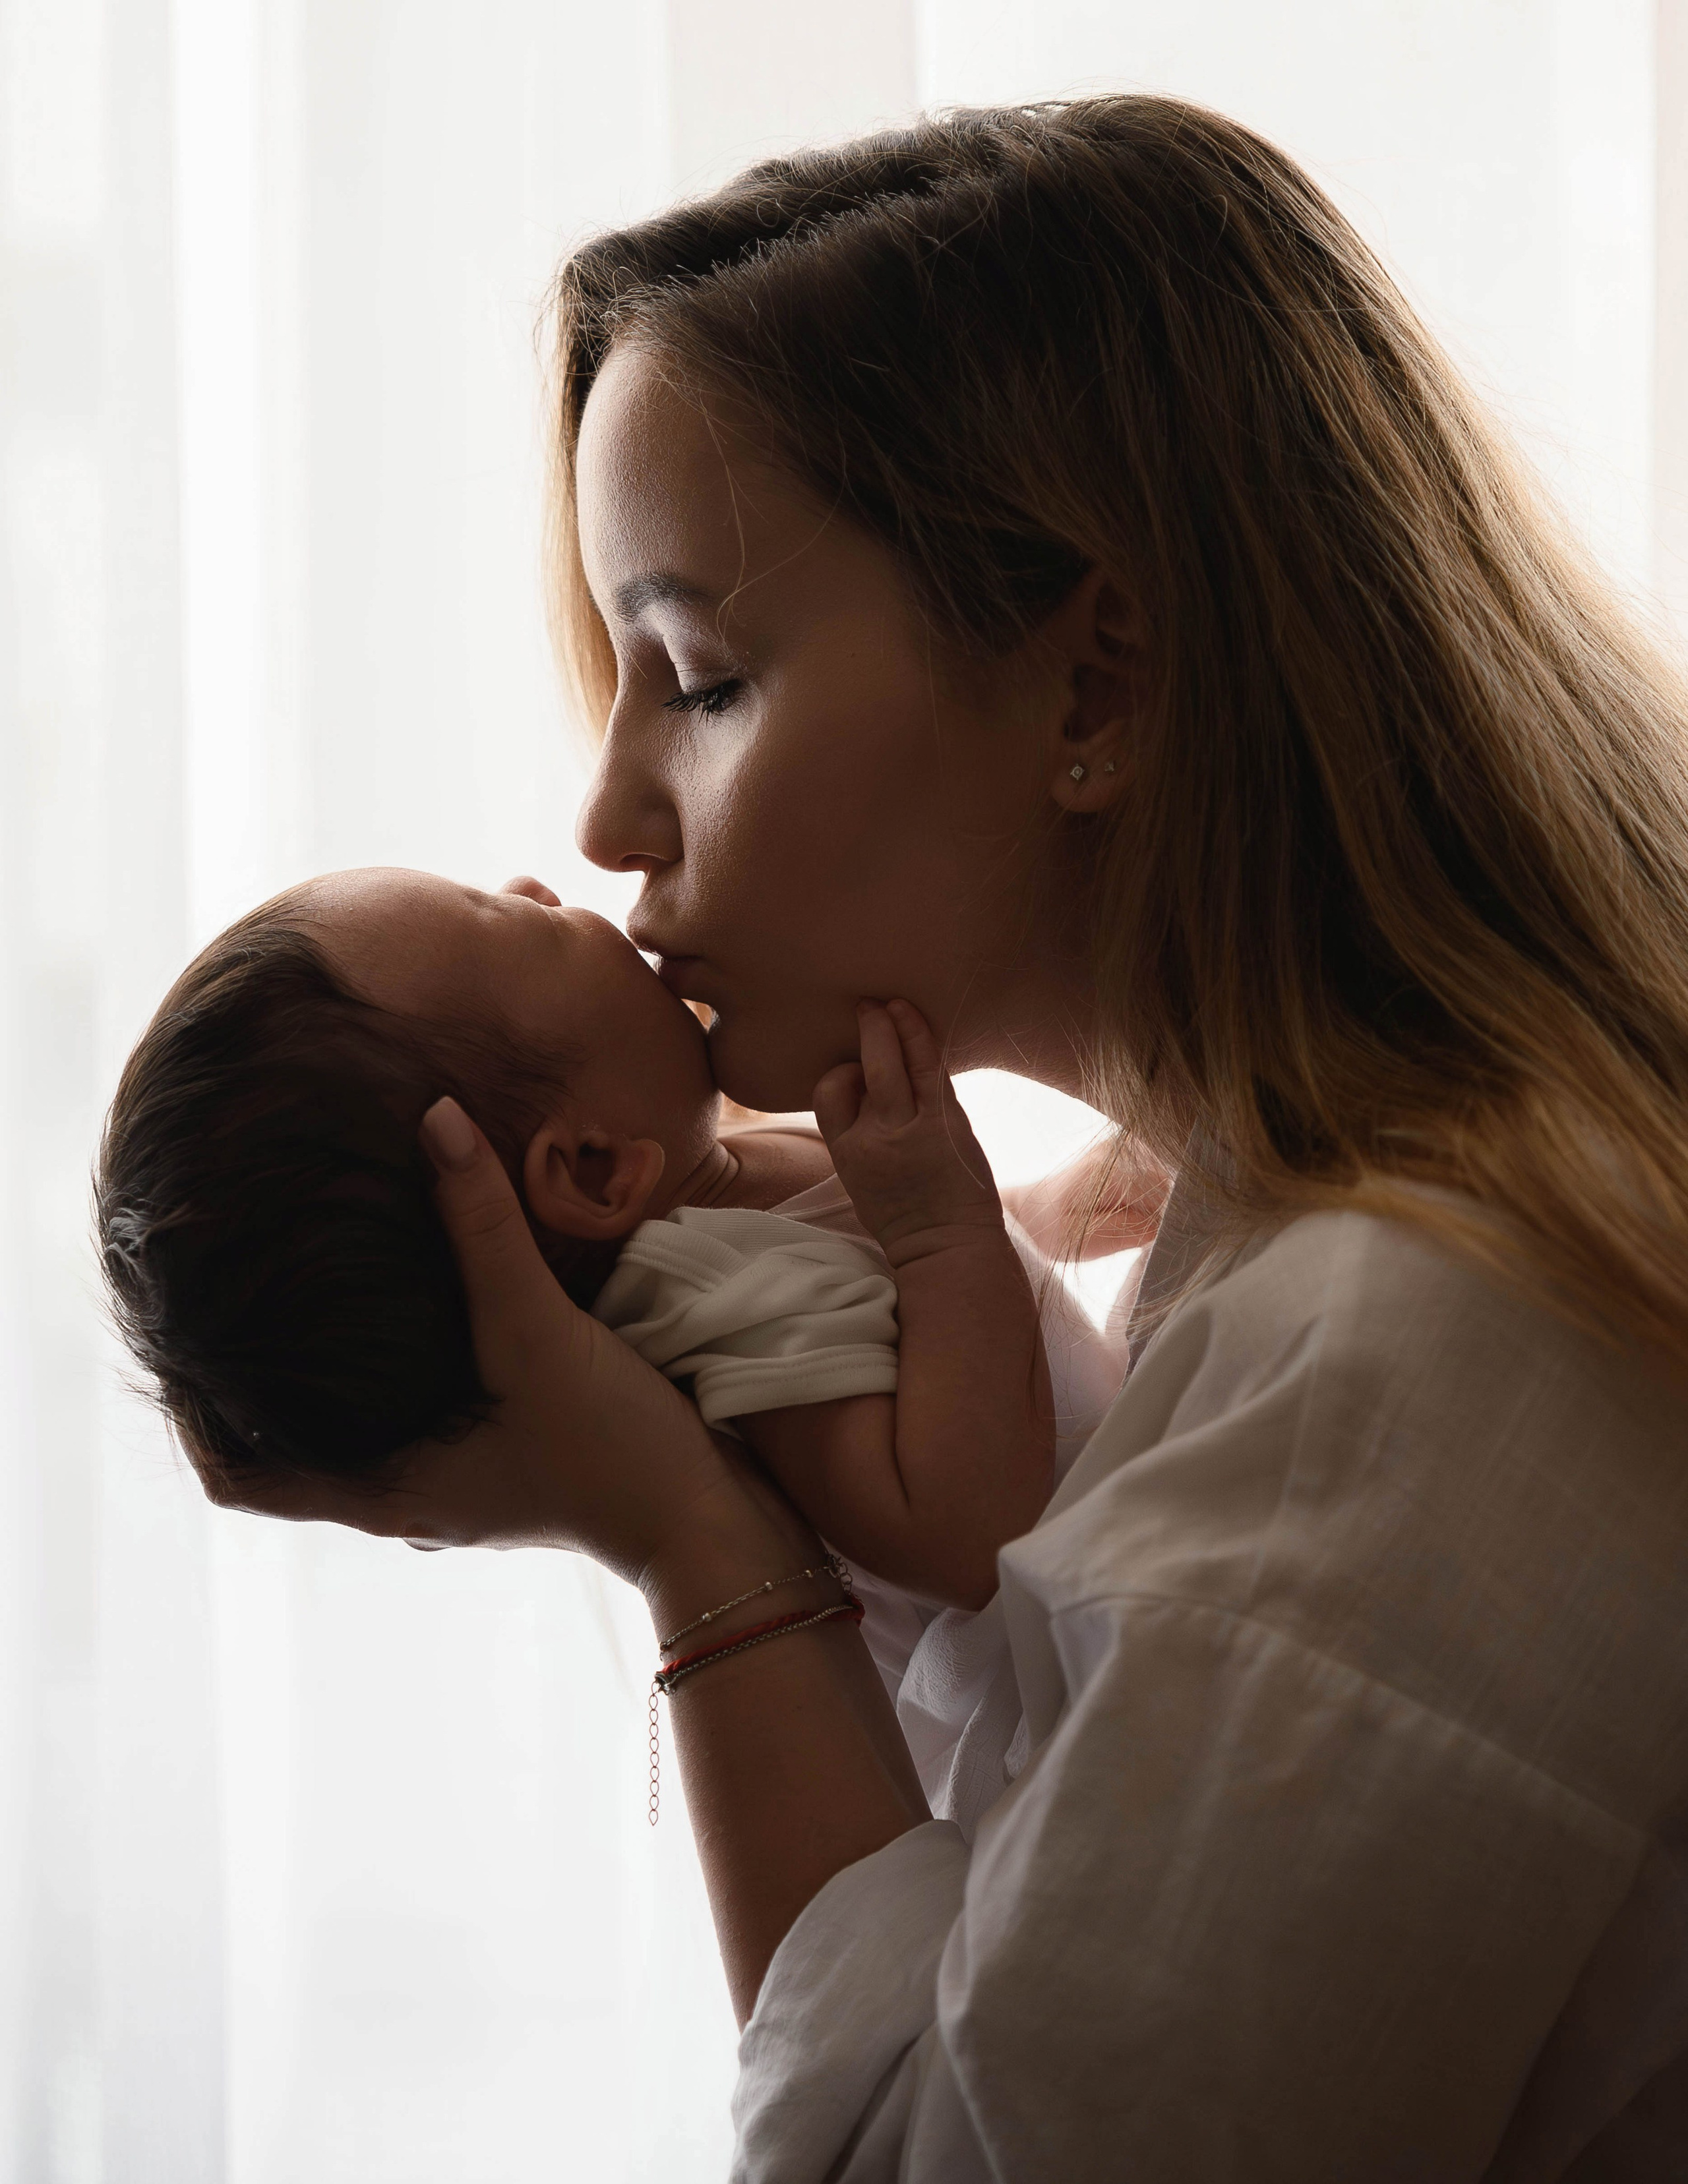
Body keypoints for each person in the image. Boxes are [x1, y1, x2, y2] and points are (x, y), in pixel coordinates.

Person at [188, 95, 1688, 2177]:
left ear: (1093, 687)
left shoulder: (1400, 1356)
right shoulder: (1310, 1239)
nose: (605, 821)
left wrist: (695, 1546)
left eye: (696, 675)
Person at [96, 868, 1133, 1748]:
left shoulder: (721, 1188)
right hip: (1066, 1692)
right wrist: (943, 1227)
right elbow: (960, 1532)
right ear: (595, 1168)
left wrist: (1034, 1214)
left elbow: (901, 1307)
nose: (538, 886)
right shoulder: (715, 1294)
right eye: (522, 926)